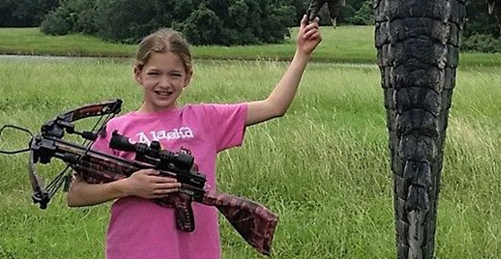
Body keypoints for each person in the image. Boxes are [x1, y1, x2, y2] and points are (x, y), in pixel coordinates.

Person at [67, 15, 322, 259]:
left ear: (187, 77)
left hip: (197, 250)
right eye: (154, 73)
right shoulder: (116, 129)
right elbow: (76, 194)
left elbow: (274, 106)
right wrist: (129, 186)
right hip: (134, 248)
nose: (164, 84)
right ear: (138, 74)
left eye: (174, 75)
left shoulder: (205, 119)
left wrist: (302, 53)